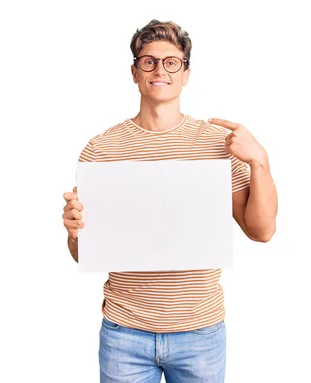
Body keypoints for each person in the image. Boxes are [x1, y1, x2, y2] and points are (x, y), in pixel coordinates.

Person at [61, 19, 277, 382]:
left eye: (171, 61)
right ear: (134, 72)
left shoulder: (216, 143)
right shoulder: (101, 149)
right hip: (124, 332)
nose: (159, 69)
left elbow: (262, 230)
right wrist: (73, 232)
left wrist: (260, 161)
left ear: (186, 73)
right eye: (148, 61)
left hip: (200, 332)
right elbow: (86, 253)